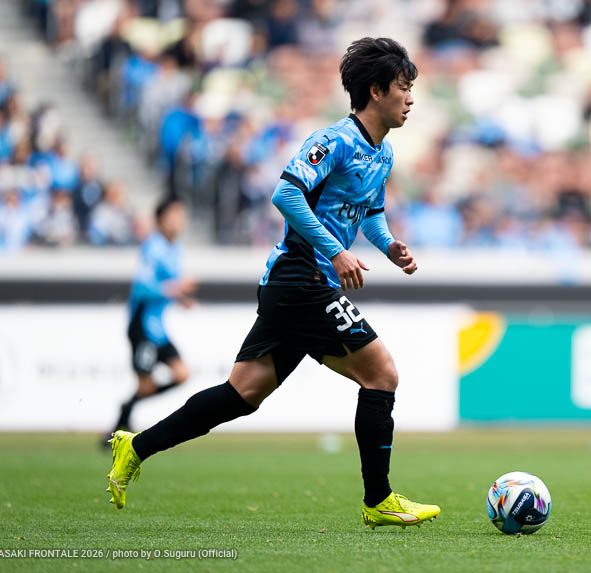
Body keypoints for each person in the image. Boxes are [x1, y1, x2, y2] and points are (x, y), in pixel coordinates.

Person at [106, 37, 441, 529]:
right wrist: (335, 250)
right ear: (376, 91)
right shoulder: (333, 141)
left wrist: (388, 244)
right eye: (403, 88)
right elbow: (286, 195)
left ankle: (135, 447)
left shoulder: (383, 153)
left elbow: (369, 213)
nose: (410, 98)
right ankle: (379, 499)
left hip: (301, 285)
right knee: (382, 374)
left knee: (241, 394)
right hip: (302, 278)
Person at [106, 196, 196, 440]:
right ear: (161, 219)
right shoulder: (153, 247)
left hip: (158, 330)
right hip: (142, 327)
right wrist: (176, 288)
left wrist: (181, 298)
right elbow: (142, 287)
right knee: (145, 386)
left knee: (182, 374)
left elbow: (166, 286)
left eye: (181, 216)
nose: (179, 221)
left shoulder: (176, 249)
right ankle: (120, 426)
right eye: (174, 215)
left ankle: (125, 412)